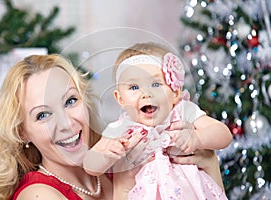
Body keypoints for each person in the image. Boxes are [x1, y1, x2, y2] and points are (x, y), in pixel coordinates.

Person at [0, 54, 227, 200]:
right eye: (42, 115)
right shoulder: (39, 195)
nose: (65, 123)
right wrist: (123, 185)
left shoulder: (111, 157)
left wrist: (210, 165)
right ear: (22, 132)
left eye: (70, 101)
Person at [83, 42, 232, 199]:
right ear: (120, 99)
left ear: (175, 92)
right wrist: (106, 154)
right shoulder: (121, 128)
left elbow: (223, 134)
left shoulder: (182, 112)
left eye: (155, 84)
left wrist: (197, 138)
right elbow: (90, 164)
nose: (146, 94)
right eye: (134, 87)